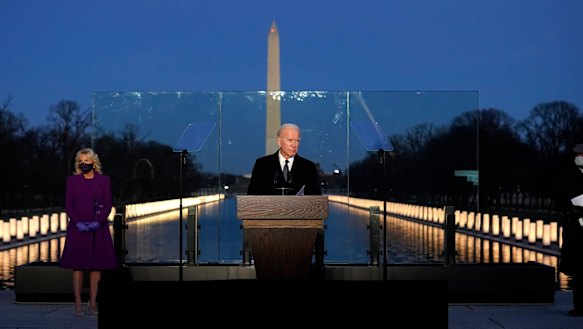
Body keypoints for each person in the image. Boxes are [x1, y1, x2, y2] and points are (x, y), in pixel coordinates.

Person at [59, 148, 117, 317]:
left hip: (97, 228)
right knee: (77, 266)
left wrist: (96, 223)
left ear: (93, 161)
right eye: (81, 161)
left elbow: (108, 204)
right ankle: (78, 303)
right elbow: (69, 204)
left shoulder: (104, 181)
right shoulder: (72, 181)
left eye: (86, 160)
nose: (83, 163)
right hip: (78, 228)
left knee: (96, 267)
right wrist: (78, 223)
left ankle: (93, 303)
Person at [247, 123, 322, 196]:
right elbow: (251, 198)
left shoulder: (309, 168)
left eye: (297, 141)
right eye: (290, 140)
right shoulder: (262, 165)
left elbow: (317, 202)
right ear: (279, 142)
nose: (294, 145)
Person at [558, 143, 583, 316]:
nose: (579, 156)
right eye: (578, 154)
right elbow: (561, 197)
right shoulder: (570, 176)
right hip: (576, 229)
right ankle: (579, 306)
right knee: (578, 270)